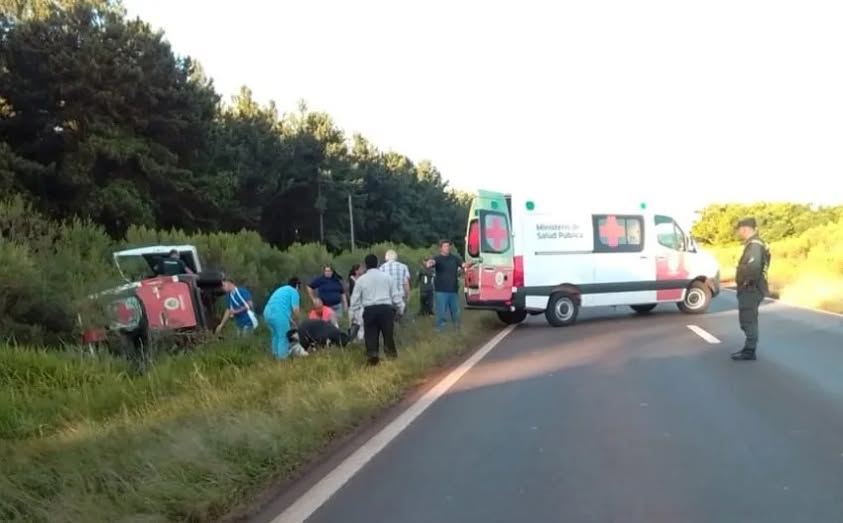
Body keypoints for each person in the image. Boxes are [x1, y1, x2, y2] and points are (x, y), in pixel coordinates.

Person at [349, 253, 405, 365]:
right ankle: (391, 357)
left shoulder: (361, 280)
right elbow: (395, 296)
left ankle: (373, 355)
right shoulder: (387, 277)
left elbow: (354, 300)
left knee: (371, 335)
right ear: (378, 263)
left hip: (369, 310)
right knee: (388, 334)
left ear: (366, 265)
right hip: (385, 309)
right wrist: (400, 308)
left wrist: (355, 314)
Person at [732, 217, 771, 361]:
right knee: (747, 318)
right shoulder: (757, 243)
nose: (739, 232)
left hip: (751, 288)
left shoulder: (754, 245)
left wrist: (746, 283)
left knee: (748, 319)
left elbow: (753, 267)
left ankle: (749, 350)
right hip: (754, 287)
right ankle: (748, 348)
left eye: (740, 229)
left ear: (744, 229)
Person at [426, 239, 466, 331]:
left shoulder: (455, 258)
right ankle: (440, 330)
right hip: (441, 291)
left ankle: (457, 330)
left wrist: (467, 264)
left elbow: (463, 264)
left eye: (448, 246)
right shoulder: (437, 259)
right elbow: (432, 262)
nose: (447, 248)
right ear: (441, 248)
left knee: (456, 313)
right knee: (441, 313)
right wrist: (430, 262)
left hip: (453, 290)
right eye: (445, 246)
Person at [264, 277, 302, 359]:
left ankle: (275, 355)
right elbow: (295, 310)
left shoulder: (281, 289)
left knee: (275, 335)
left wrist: (291, 321)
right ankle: (282, 359)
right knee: (283, 337)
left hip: (267, 313)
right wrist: (299, 323)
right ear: (297, 285)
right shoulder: (294, 291)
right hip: (279, 314)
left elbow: (281, 305)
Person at [379, 249, 411, 315]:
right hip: (400, 296)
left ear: (386, 257)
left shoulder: (381, 268)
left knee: (388, 318)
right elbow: (406, 283)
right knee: (402, 316)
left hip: (386, 297)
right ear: (396, 257)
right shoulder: (403, 266)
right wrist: (407, 295)